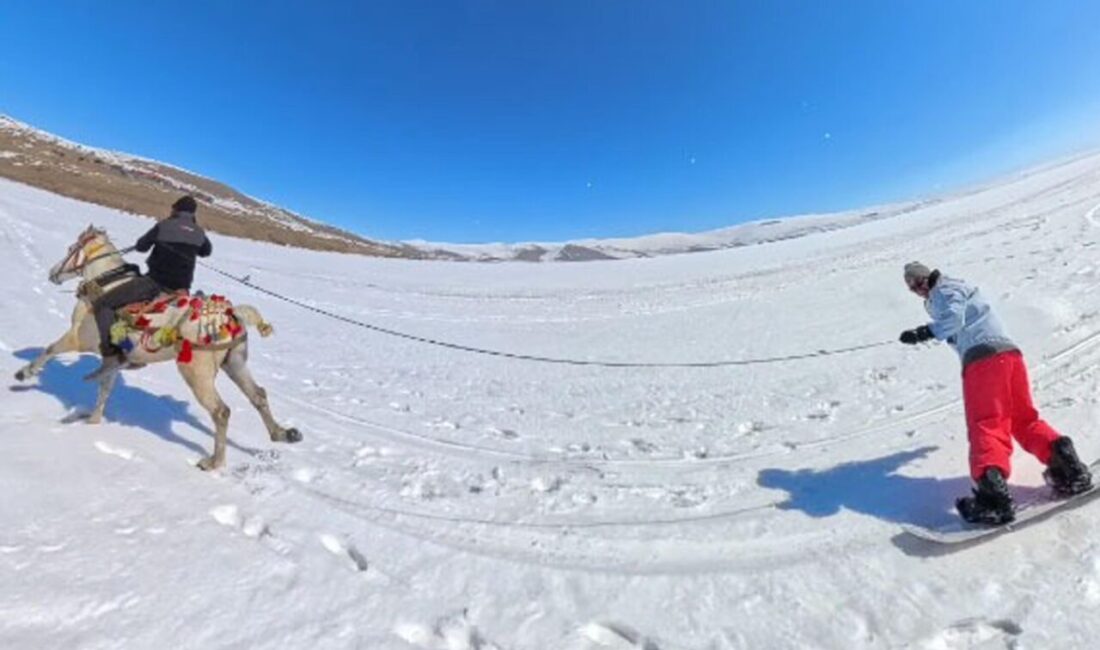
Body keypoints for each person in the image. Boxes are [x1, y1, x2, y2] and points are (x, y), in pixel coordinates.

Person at [899, 261, 1092, 524]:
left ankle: (993, 500)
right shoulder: (955, 287)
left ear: (925, 279)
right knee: (1023, 419)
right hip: (1010, 357)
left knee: (986, 423)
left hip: (983, 362)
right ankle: (1067, 467)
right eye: (912, 289)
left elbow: (954, 318)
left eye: (916, 285)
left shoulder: (944, 290)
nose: (917, 291)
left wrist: (925, 332)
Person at [86, 195, 212, 380]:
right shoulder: (199, 232)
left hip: (155, 283)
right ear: (192, 214)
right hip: (182, 290)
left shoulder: (164, 225)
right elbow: (206, 251)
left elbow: (142, 246)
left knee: (103, 305)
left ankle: (111, 355)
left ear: (175, 209)